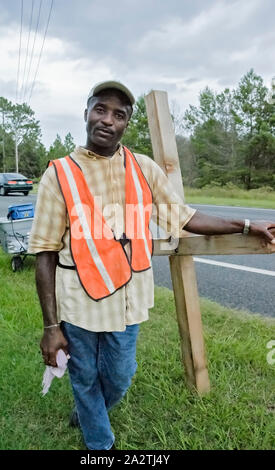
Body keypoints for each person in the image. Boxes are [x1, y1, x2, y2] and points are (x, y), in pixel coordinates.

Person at [28, 80, 275, 451]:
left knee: (120, 375)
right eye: (100, 109)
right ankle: (100, 444)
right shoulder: (58, 174)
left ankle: (89, 410)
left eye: (119, 115)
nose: (107, 120)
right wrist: (50, 327)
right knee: (84, 376)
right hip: (78, 302)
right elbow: (44, 252)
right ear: (86, 114)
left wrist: (244, 225)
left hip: (128, 301)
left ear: (126, 123)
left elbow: (184, 217)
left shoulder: (143, 168)